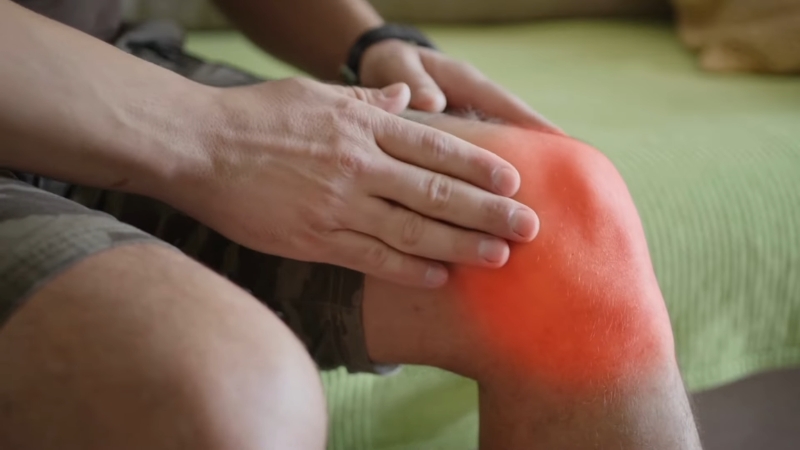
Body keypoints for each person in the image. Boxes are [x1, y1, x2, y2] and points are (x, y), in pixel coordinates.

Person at [0, 0, 702, 448]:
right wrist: (215, 139)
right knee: (218, 398)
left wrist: (369, 40)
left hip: (105, 61)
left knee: (564, 219)